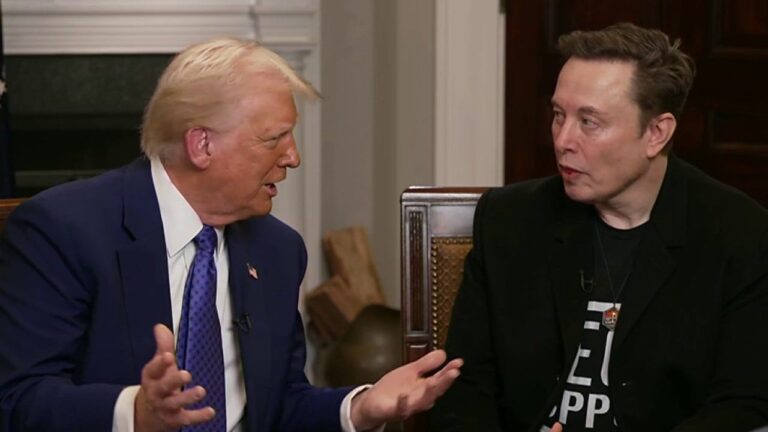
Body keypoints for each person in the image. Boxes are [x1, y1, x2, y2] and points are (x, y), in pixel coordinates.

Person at [0, 37, 462, 432]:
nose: (293, 157)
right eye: (274, 138)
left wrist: (359, 408)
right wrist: (135, 413)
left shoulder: (278, 250)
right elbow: (19, 400)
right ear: (202, 145)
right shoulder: (64, 229)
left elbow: (280, 405)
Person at [429, 22, 768, 432]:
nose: (562, 140)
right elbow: (464, 389)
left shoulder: (739, 234)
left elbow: (743, 404)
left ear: (656, 133)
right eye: (558, 115)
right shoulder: (508, 220)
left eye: (589, 121)